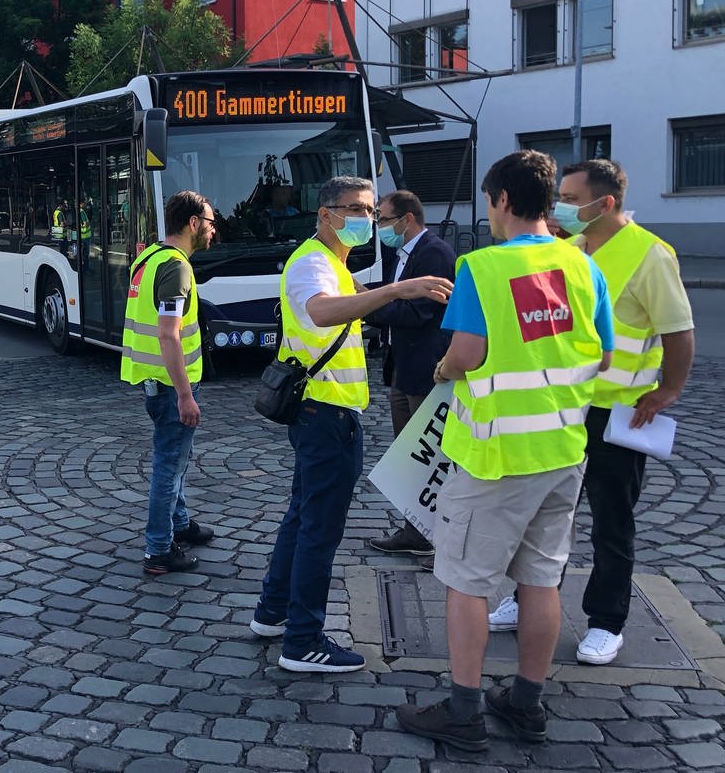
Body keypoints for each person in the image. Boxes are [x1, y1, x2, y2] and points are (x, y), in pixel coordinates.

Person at [396, 150, 613, 752]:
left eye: (490, 202)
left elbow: (466, 352)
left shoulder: (482, 268)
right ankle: (525, 702)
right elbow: (605, 355)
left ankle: (463, 712)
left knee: (466, 581)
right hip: (564, 451)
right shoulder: (582, 264)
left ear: (504, 200)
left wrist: (442, 367)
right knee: (542, 581)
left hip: (494, 456)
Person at [487, 160, 696, 665]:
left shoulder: (650, 254)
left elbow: (679, 331)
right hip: (563, 406)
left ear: (604, 203)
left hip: (618, 411)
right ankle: (528, 597)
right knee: (545, 513)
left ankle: (607, 621)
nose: (560, 205)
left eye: (570, 197)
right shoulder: (571, 249)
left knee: (611, 520)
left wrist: (668, 390)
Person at [249, 175, 453, 673]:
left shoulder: (333, 263)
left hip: (326, 412)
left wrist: (391, 291)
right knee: (319, 526)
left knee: (302, 516)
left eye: (370, 209)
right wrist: (398, 289)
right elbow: (321, 312)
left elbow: (351, 301)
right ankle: (302, 641)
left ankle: (273, 613)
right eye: (357, 209)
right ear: (326, 214)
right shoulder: (312, 263)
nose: (367, 219)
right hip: (325, 414)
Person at [121, 190, 217, 575]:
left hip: (153, 382)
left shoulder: (148, 258)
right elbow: (168, 335)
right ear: (193, 223)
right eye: (210, 223)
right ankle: (158, 549)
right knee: (169, 467)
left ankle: (180, 524)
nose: (213, 231)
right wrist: (184, 396)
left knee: (176, 459)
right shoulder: (177, 267)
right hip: (170, 387)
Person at [366, 190, 457, 561]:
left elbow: (417, 313)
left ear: (407, 219)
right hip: (404, 367)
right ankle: (414, 529)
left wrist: (366, 305)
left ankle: (427, 532)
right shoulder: (402, 252)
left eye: (384, 219)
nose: (380, 227)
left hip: (426, 369)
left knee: (425, 454)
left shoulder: (433, 253)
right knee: (408, 453)